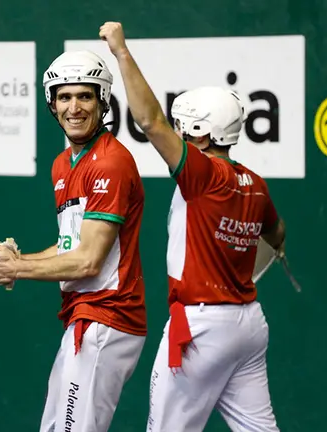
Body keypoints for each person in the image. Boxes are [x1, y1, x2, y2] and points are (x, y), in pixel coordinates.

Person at [99, 22, 286, 432]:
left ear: (202, 132)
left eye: (185, 126)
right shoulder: (254, 183)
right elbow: (277, 236)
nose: (179, 131)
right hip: (249, 325)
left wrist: (121, 51)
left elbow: (149, 122)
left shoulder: (203, 174)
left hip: (203, 328)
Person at [0, 49, 148, 432]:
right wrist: (21, 258)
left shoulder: (110, 163)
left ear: (102, 100)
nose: (74, 107)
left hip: (108, 316)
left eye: (85, 96)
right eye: (64, 96)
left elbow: (88, 261)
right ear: (52, 104)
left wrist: (17, 268)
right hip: (83, 317)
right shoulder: (64, 164)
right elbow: (70, 246)